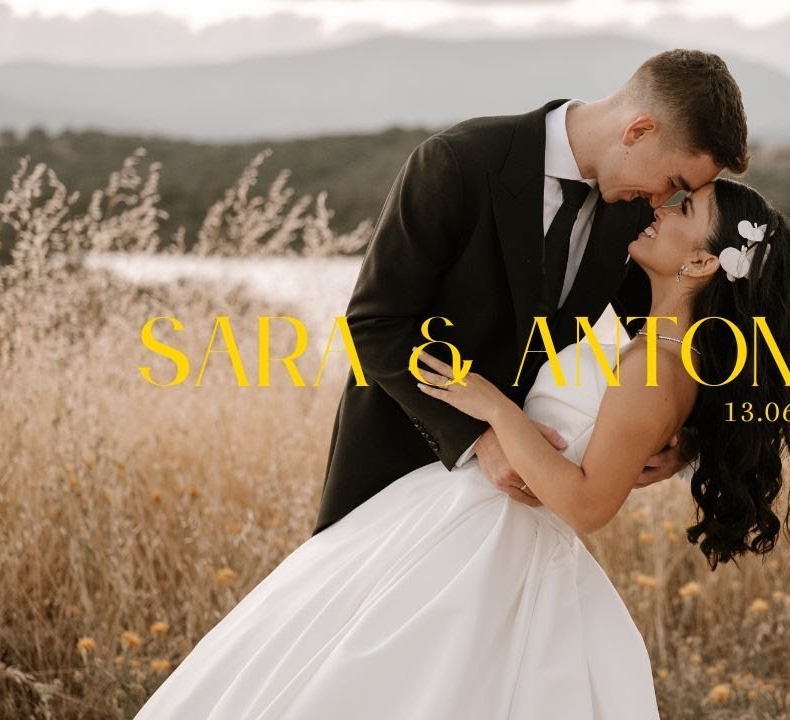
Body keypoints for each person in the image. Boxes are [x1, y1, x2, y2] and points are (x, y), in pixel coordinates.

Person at [132, 177, 790, 719]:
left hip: (493, 542)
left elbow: (587, 505)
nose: (662, 208)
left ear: (701, 260)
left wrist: (492, 408)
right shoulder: (654, 342)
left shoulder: (658, 364)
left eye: (684, 208)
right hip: (458, 520)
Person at [313, 49, 749, 536]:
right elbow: (374, 325)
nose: (663, 202)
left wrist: (686, 439)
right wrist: (478, 436)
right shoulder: (458, 162)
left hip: (520, 509)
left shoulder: (634, 213)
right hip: (394, 471)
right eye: (672, 182)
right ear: (639, 130)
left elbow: (679, 336)